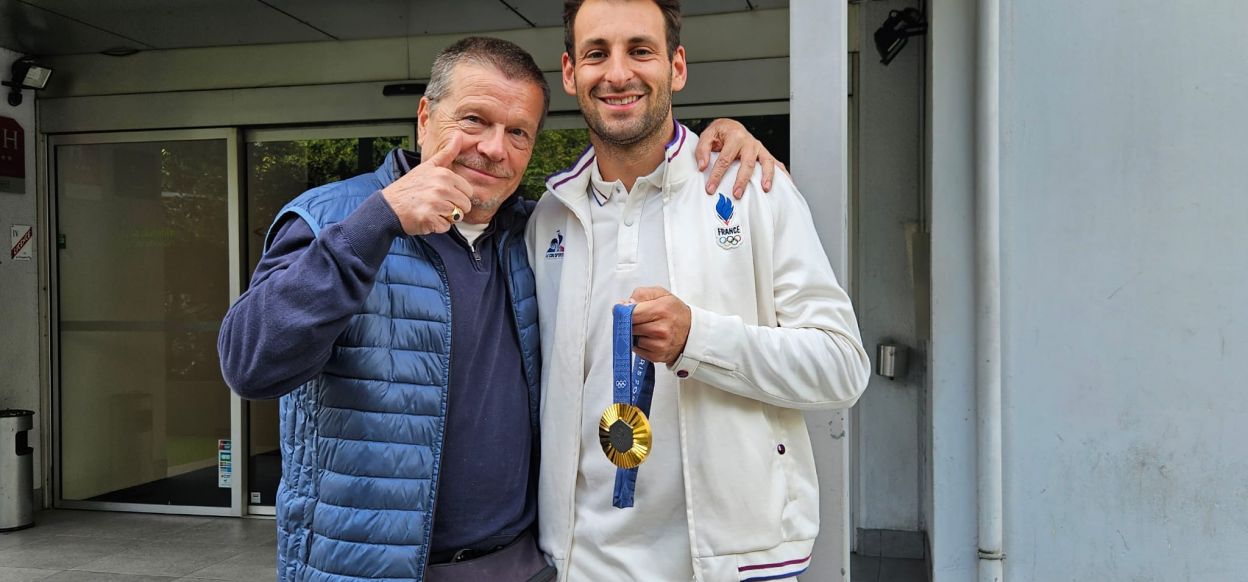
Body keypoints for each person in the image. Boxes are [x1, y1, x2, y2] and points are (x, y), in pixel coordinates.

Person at [218, 35, 780, 582]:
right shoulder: (330, 218)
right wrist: (379, 220)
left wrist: (721, 139)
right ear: (424, 117)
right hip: (372, 567)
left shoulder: (534, 234)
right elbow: (250, 364)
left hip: (517, 562)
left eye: (518, 132)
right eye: (474, 121)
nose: (494, 148)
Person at [526, 1, 872, 581]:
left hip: (728, 566)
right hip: (580, 562)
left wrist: (699, 340)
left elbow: (841, 368)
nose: (616, 73)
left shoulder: (752, 189)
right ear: (569, 72)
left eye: (640, 50)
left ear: (677, 66)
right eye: (596, 53)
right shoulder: (550, 219)